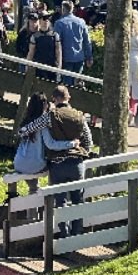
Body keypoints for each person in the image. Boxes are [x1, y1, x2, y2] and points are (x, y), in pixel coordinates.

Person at [45, 84, 93, 237]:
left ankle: (64, 233)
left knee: (60, 201)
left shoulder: (51, 116)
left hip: (57, 163)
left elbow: (47, 142)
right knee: (77, 199)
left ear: (54, 99)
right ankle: (77, 232)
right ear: (68, 98)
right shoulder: (79, 116)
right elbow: (88, 140)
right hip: (75, 163)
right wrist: (82, 152)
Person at [14, 92, 79, 194]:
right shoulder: (42, 124)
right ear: (44, 105)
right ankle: (51, 193)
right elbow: (51, 144)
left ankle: (34, 195)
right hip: (35, 165)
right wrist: (71, 144)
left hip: (19, 163)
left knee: (33, 187)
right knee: (54, 164)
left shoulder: (25, 122)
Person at [53, 0, 92, 78]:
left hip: (65, 58)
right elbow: (87, 41)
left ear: (63, 9)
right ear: (72, 9)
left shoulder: (59, 23)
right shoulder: (81, 22)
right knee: (77, 85)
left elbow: (56, 43)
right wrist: (89, 57)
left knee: (67, 86)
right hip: (79, 58)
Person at [26, 11, 61, 81]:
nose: (46, 20)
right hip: (39, 68)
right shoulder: (35, 36)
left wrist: (59, 68)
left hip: (52, 67)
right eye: (44, 18)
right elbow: (31, 53)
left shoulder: (55, 35)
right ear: (40, 20)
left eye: (48, 18)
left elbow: (59, 52)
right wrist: (27, 67)